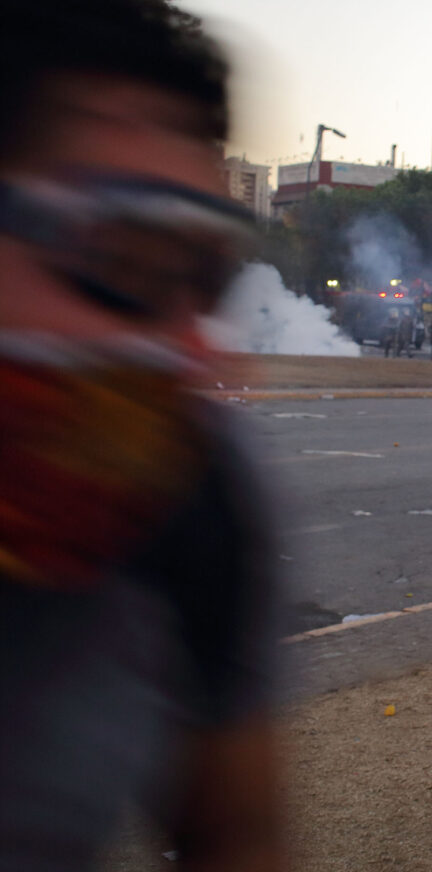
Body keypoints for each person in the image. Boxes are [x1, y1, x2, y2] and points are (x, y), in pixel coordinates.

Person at [0, 3, 283, 870]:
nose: (198, 355)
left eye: (202, 280)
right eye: (123, 265)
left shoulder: (191, 486)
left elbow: (237, 835)